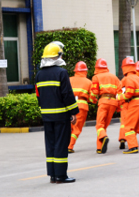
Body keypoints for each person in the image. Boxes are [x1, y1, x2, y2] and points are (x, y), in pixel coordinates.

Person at [35, 42, 78, 184]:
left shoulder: (39, 74)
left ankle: (53, 175)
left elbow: (38, 96)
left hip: (47, 117)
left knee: (51, 144)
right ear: (57, 56)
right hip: (61, 116)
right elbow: (67, 94)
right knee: (61, 144)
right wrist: (73, 112)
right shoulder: (61, 73)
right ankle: (61, 175)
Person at [91, 58, 120, 154]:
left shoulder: (96, 77)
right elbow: (120, 92)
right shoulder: (114, 77)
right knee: (104, 126)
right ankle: (99, 148)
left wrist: (93, 99)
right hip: (113, 102)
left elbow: (94, 91)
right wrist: (119, 106)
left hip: (103, 101)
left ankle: (104, 137)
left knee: (99, 125)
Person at [68, 61, 96, 153]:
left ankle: (64, 145)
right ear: (85, 71)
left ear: (75, 70)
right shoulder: (88, 82)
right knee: (77, 128)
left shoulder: (69, 79)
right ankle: (70, 146)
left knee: (68, 127)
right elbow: (92, 98)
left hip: (68, 106)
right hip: (81, 106)